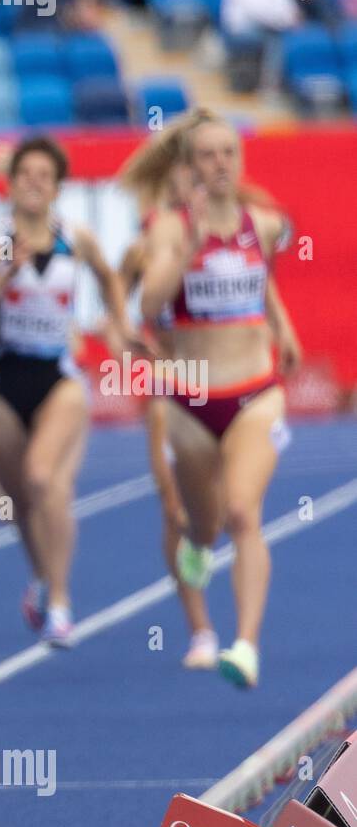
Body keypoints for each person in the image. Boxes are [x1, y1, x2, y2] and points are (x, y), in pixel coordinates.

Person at [135, 109, 302, 688]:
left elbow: (263, 279)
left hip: (256, 389)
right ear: (189, 167)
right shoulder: (170, 228)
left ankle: (245, 645)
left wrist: (284, 328)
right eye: (207, 155)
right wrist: (188, 250)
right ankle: (201, 547)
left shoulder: (265, 223)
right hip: (189, 397)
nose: (220, 163)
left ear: (241, 158)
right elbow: (147, 301)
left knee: (241, 512)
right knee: (201, 523)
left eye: (228, 152)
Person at [0, 135, 131, 647]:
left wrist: (116, 325)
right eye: (24, 174)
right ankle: (43, 577)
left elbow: (111, 279)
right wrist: (2, 276)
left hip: (58, 377)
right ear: (9, 184)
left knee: (44, 478)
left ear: (57, 187)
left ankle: (62, 603)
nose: (33, 183)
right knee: (14, 500)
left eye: (43, 176)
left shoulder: (77, 238)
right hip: (3, 381)